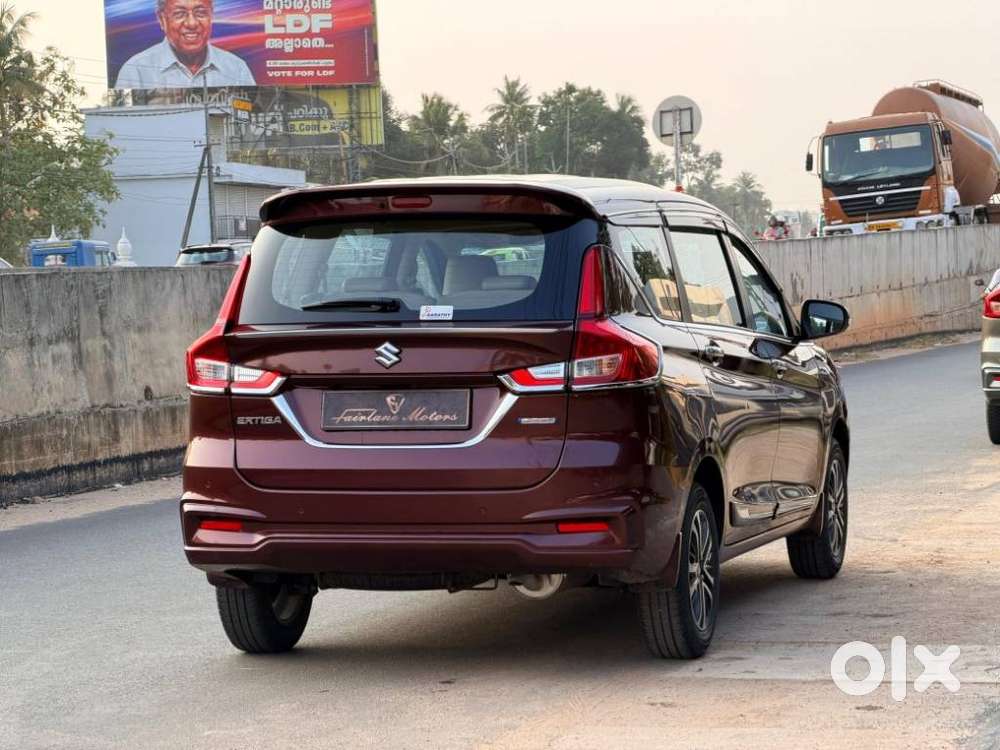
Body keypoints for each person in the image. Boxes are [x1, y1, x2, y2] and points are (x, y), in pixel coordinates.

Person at [114, 0, 255, 89]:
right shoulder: (136, 70)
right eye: (180, 14)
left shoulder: (236, 69)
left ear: (211, 16)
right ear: (162, 19)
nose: (191, 23)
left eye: (200, 13)